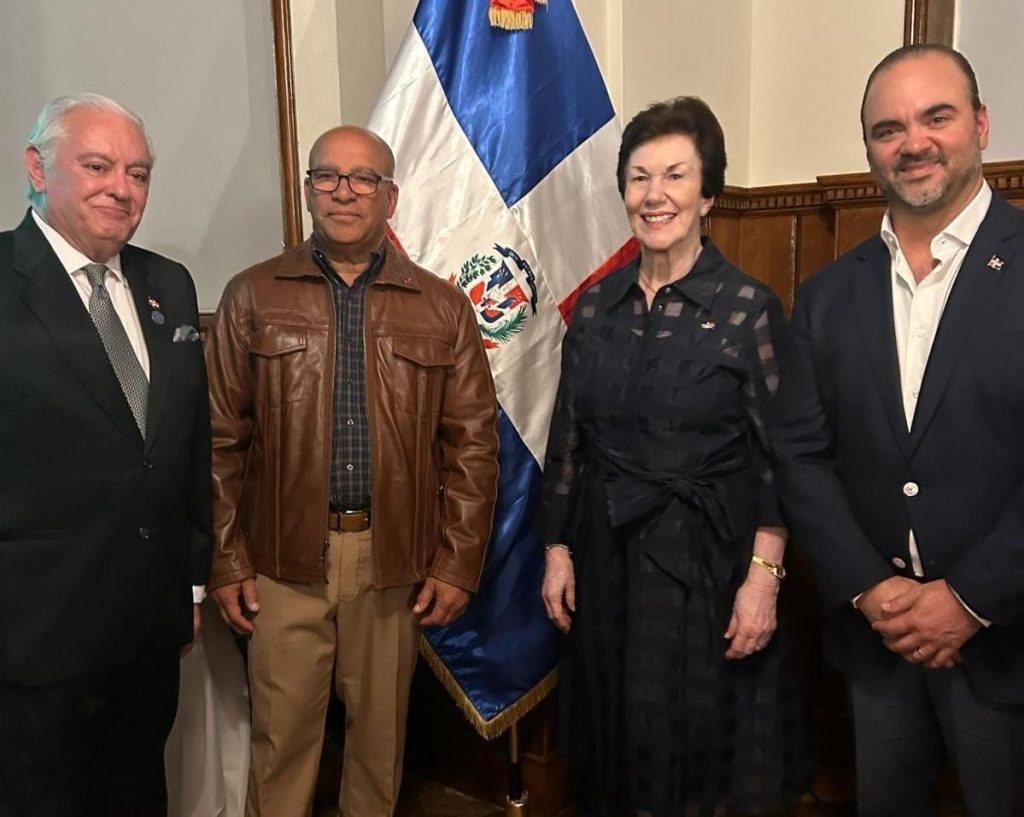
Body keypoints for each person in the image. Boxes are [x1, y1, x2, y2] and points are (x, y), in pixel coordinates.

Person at [205, 125, 499, 817]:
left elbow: (473, 447)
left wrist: (458, 562)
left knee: (378, 748)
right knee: (280, 748)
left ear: (389, 197)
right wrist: (226, 558)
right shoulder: (252, 295)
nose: (344, 191)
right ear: (308, 190)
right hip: (279, 563)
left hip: (393, 562)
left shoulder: (442, 307)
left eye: (363, 178)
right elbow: (218, 442)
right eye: (327, 176)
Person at [772, 44, 1024, 817]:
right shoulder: (826, 294)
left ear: (980, 125)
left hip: (1009, 638)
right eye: (889, 129)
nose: (913, 142)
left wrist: (970, 598)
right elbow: (801, 454)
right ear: (869, 149)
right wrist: (872, 588)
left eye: (936, 117)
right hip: (878, 640)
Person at [540, 97, 807, 817]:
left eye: (675, 175)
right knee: (616, 748)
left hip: (710, 562)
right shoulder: (595, 308)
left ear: (708, 193)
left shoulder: (749, 307)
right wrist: (557, 549)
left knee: (699, 751)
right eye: (639, 177)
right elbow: (568, 436)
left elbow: (778, 459)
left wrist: (764, 580)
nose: (654, 195)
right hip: (607, 554)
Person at [0, 94, 211, 817]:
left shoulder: (169, 284)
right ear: (37, 169)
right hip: (31, 641)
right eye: (97, 166)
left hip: (148, 633)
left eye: (138, 173)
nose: (122, 188)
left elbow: (185, 443)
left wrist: (190, 585)